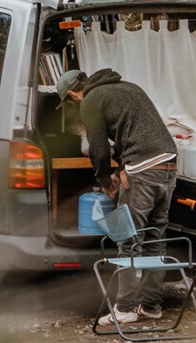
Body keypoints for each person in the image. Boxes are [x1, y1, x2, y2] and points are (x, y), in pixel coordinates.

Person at [56, 68, 178, 325]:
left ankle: (125, 308)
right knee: (155, 237)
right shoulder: (128, 86)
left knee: (128, 238)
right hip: (168, 164)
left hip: (143, 169)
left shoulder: (91, 100)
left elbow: (98, 147)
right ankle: (152, 305)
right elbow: (135, 134)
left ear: (71, 94)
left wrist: (104, 180)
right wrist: (122, 167)